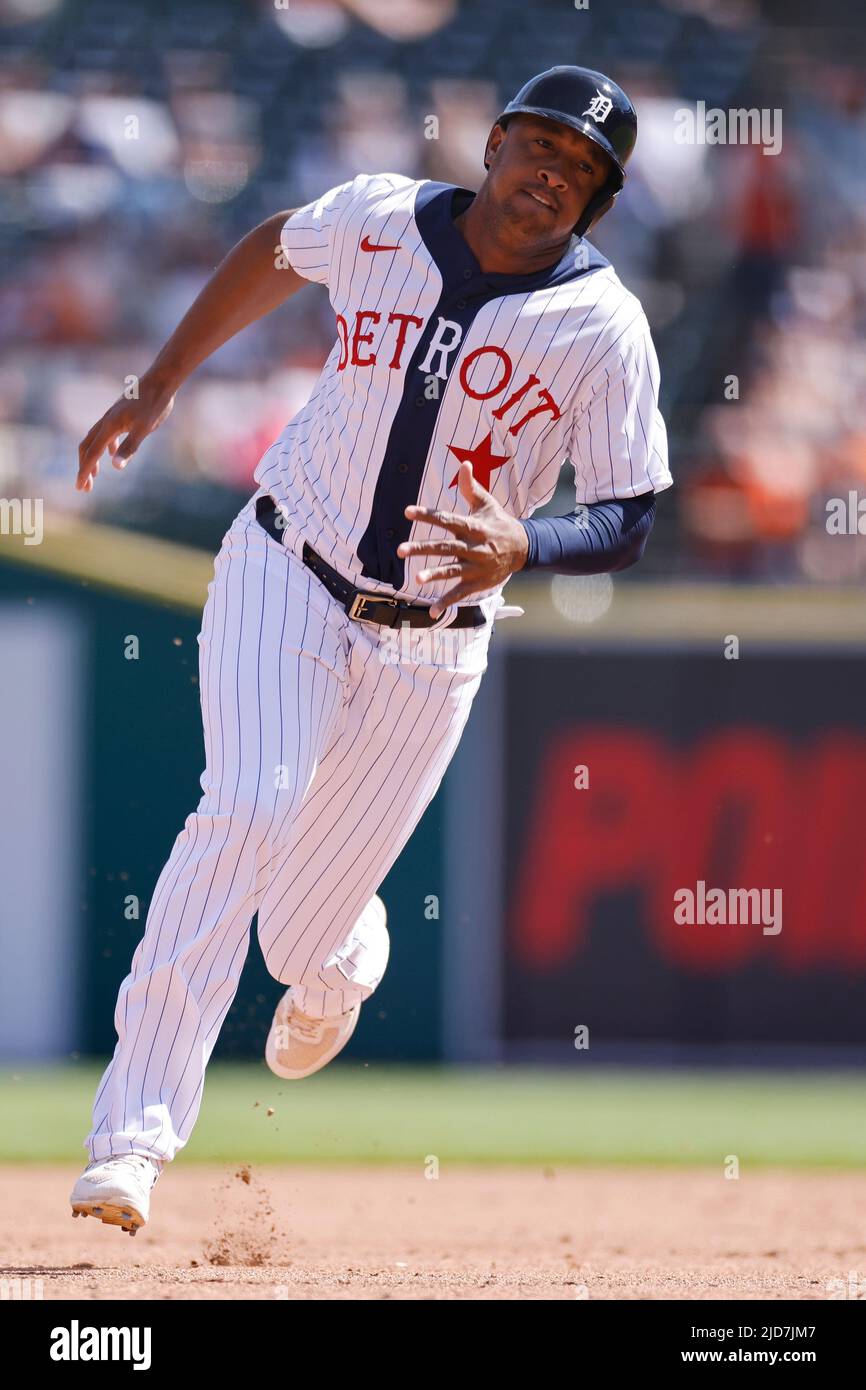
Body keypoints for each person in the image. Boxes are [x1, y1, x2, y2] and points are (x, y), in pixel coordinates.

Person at [70, 65, 672, 1234]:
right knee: (242, 807)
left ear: (594, 202)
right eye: (542, 144)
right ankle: (131, 1140)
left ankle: (342, 949)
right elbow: (272, 248)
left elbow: (630, 510)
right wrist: (156, 384)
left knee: (298, 933)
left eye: (584, 170)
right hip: (285, 565)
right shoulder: (380, 216)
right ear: (494, 143)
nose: (554, 172)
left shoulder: (601, 326)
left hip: (431, 643)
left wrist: (531, 543)